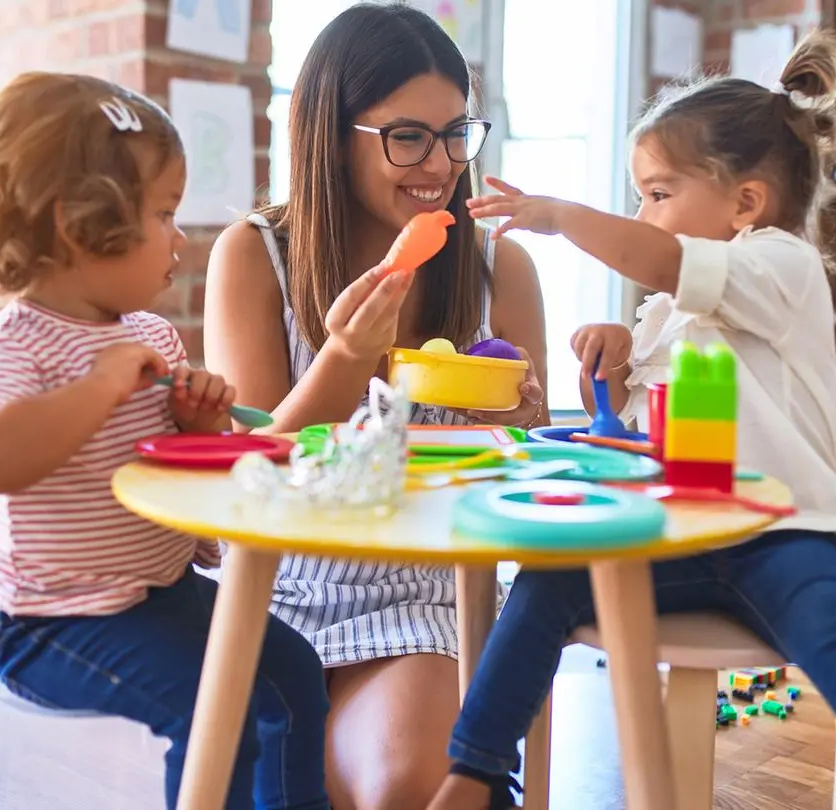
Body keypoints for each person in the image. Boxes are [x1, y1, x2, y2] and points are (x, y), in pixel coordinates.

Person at [428, 31, 836, 810]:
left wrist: (560, 216)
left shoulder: (782, 264)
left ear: (745, 203)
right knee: (547, 577)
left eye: (657, 193)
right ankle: (473, 774)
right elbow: (636, 436)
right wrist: (611, 371)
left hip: (784, 533)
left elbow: (663, 261)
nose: (641, 214)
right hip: (674, 537)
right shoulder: (665, 310)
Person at [0, 72, 331, 810]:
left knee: (293, 671)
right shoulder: (15, 345)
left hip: (161, 593)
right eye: (162, 213)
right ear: (79, 226)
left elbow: (175, 468)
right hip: (52, 622)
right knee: (215, 711)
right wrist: (98, 387)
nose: (178, 237)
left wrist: (198, 425)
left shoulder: (152, 336)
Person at [202, 5, 549, 808]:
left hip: (428, 593)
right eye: (408, 137)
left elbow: (530, 456)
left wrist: (519, 420)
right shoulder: (254, 256)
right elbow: (254, 473)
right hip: (276, 587)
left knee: (402, 784)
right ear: (332, 135)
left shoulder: (501, 270)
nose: (441, 163)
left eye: (456, 134)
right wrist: (345, 358)